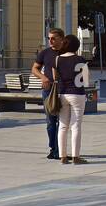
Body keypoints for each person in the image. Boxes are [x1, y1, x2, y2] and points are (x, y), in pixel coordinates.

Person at [32, 28, 66, 160]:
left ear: (61, 39)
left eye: (53, 38)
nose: (50, 41)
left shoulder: (66, 53)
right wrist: (42, 77)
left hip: (64, 90)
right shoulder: (45, 53)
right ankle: (53, 148)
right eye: (49, 38)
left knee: (62, 122)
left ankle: (59, 149)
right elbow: (34, 68)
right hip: (49, 90)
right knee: (51, 121)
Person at [55, 35, 88, 165]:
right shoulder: (80, 59)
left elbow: (55, 76)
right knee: (76, 125)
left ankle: (62, 156)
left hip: (62, 93)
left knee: (63, 126)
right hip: (77, 94)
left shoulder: (57, 59)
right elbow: (85, 79)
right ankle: (76, 156)